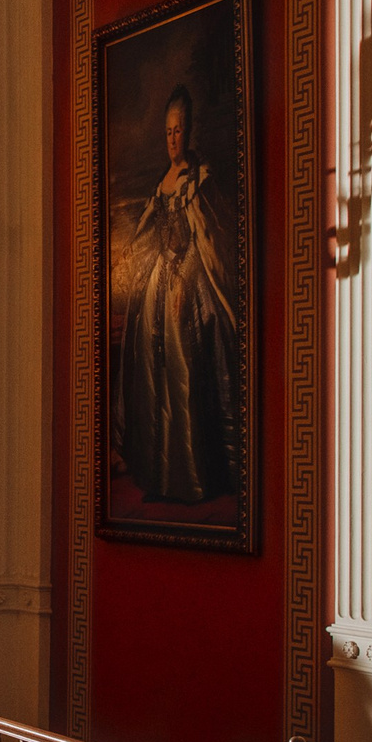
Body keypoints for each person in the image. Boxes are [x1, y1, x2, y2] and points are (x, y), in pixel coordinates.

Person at [111, 84, 245, 505]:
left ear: (189, 132)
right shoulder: (163, 182)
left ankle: (193, 474)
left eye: (179, 131)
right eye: (167, 132)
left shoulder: (198, 177)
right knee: (151, 365)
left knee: (184, 365)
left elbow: (206, 233)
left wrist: (184, 277)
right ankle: (160, 472)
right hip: (160, 275)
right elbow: (150, 224)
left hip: (189, 273)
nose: (173, 139)